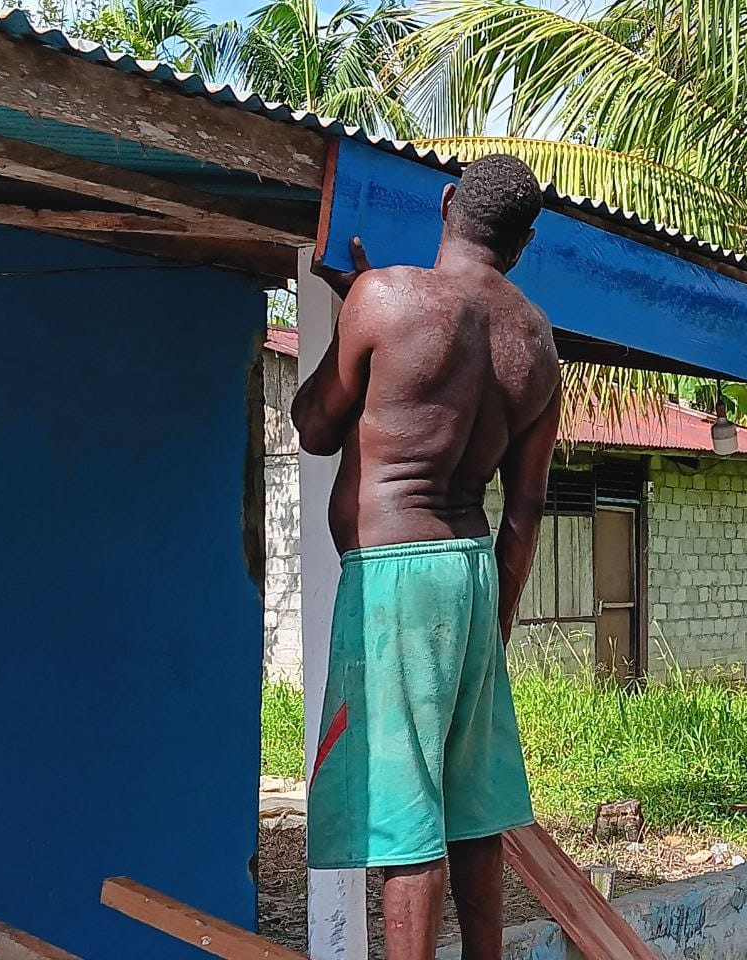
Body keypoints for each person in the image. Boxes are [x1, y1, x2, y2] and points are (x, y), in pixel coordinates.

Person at [290, 154, 561, 960]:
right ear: (525, 242)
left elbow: (314, 428)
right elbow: (527, 505)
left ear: (447, 203)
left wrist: (353, 325)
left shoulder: (385, 296)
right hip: (473, 570)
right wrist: (496, 619)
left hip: (392, 576)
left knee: (405, 812)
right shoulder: (538, 343)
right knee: (471, 810)